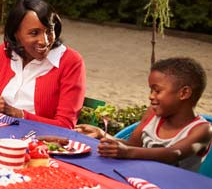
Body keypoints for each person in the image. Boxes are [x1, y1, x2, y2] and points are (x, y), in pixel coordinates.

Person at [76, 57, 211, 172]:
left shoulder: (202, 130)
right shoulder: (153, 113)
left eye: (157, 91)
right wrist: (101, 135)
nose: (150, 96)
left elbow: (173, 154)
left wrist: (127, 152)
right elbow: (132, 145)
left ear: (184, 93)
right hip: (139, 181)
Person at [0, 0, 85, 129]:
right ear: (15, 34)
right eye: (34, 33)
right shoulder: (5, 51)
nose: (45, 41)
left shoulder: (71, 62)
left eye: (49, 31)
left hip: (39, 141)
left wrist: (18, 114)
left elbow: (65, 126)